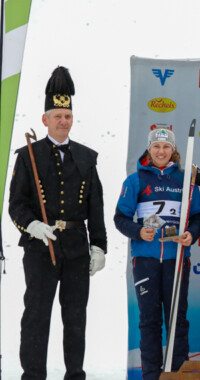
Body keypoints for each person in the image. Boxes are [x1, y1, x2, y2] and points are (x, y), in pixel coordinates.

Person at [8, 66, 107, 379]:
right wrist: (33, 226)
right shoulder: (28, 156)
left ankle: (75, 374)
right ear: (45, 119)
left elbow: (96, 206)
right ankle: (33, 375)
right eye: (57, 116)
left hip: (77, 249)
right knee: (36, 315)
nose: (63, 121)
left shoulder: (86, 158)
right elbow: (16, 204)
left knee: (75, 317)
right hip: (41, 248)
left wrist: (99, 246)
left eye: (67, 116)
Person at [113, 128, 200, 379]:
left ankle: (178, 374)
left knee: (177, 321)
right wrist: (139, 231)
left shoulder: (185, 179)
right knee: (150, 321)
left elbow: (198, 215)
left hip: (176, 259)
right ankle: (151, 375)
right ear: (149, 149)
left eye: (166, 147)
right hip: (146, 260)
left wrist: (192, 235)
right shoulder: (135, 180)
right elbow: (120, 218)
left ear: (173, 150)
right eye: (156, 147)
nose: (161, 152)